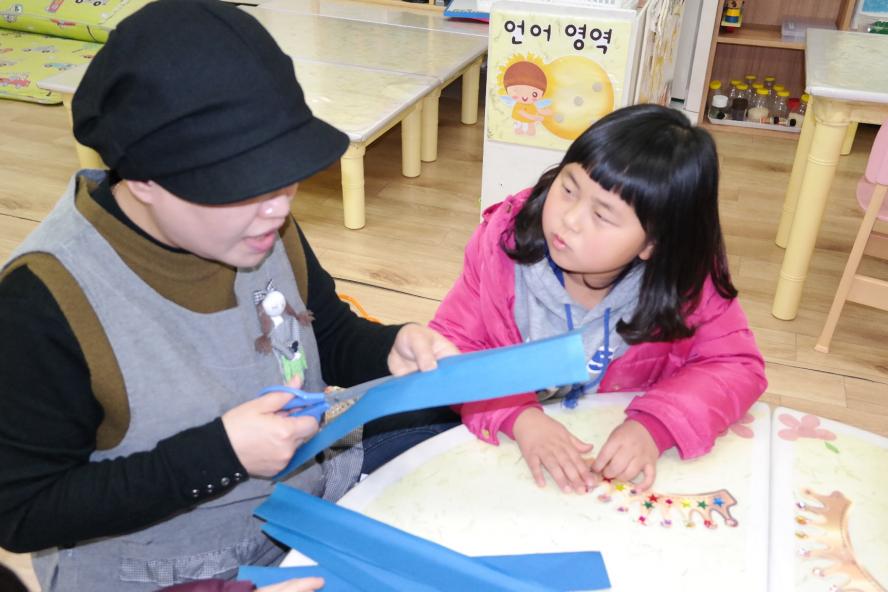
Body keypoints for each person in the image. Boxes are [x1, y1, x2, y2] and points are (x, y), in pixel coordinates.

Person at [0, 1, 459, 590]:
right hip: (164, 571)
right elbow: (23, 511)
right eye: (243, 186)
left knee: (452, 432)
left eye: (285, 176)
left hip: (298, 507)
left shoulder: (260, 221)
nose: (278, 207)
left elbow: (321, 331)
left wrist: (387, 348)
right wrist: (220, 455)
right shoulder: (42, 303)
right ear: (142, 179)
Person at [430, 104, 767, 494]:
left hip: (606, 464)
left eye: (602, 216)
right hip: (508, 449)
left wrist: (655, 426)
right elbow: (451, 349)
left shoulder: (687, 283)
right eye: (568, 189)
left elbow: (735, 366)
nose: (570, 219)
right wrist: (519, 417)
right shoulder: (500, 248)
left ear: (654, 243)